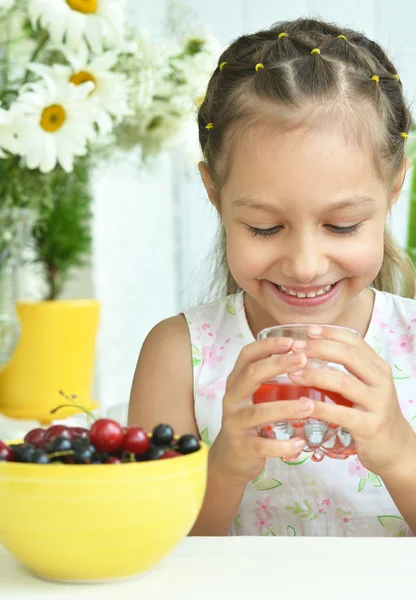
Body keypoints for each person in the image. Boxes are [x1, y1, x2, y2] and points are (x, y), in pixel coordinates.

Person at [128, 18, 416, 537]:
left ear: (394, 188)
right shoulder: (178, 356)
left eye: (342, 225)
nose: (305, 264)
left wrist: (401, 455)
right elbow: (146, 550)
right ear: (214, 192)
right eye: (264, 228)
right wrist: (226, 467)